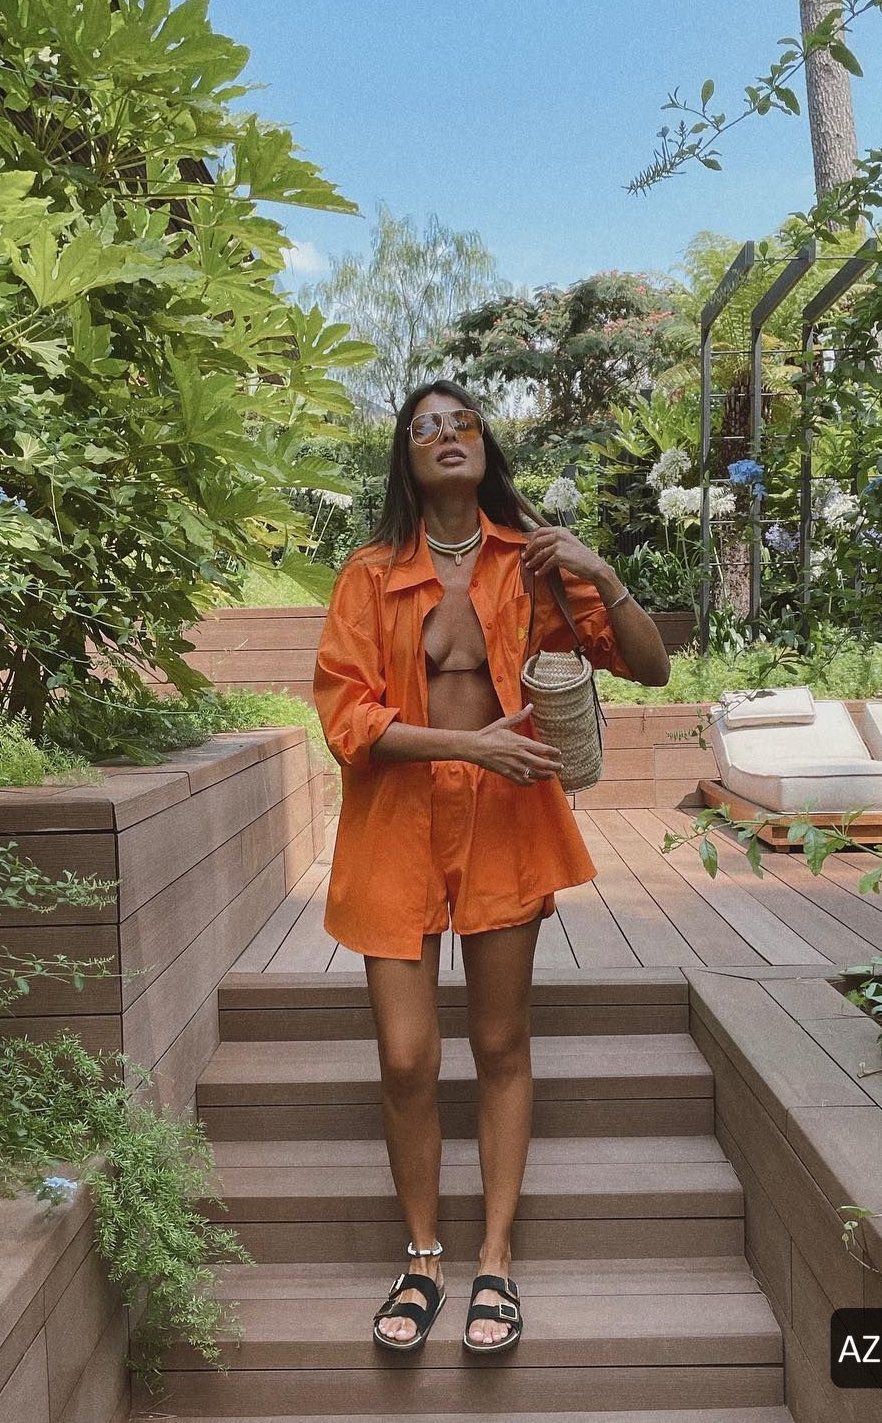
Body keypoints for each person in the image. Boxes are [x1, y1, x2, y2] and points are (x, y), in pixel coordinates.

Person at [312, 380, 671, 1356]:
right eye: (424, 427)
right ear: (406, 458)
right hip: (394, 829)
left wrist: (601, 569)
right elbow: (348, 720)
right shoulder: (369, 575)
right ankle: (423, 1254)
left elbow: (649, 667)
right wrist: (472, 747)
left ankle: (496, 1258)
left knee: (502, 1042)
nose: (445, 434)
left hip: (506, 826)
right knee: (405, 1055)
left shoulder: (533, 564)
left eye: (461, 421)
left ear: (484, 445)